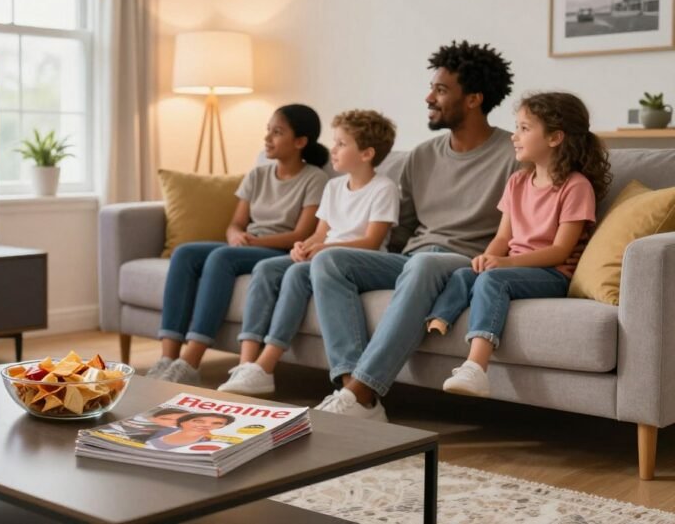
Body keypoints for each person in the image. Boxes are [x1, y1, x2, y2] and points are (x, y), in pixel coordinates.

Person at [311, 41, 517, 422]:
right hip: (413, 260)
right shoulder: (422, 155)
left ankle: (362, 389)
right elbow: (402, 228)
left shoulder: (513, 153)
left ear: (473, 99)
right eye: (432, 88)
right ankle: (356, 397)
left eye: (441, 90)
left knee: (422, 265)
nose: (429, 97)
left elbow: (518, 229)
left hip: (465, 262)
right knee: (330, 261)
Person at [427, 92, 610, 397]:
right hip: (516, 267)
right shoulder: (517, 182)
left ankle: (475, 368)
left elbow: (560, 251)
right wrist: (487, 257)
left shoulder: (576, 186)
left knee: (492, 280)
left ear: (555, 138)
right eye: (517, 127)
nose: (514, 136)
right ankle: (440, 321)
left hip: (553, 273)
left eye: (525, 129)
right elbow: (502, 238)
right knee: (463, 274)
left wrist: (504, 264)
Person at [147, 104, 330, 386]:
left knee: (222, 258)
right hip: (246, 245)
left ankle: (191, 361)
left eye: (277, 132)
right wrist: (234, 235)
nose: (267, 138)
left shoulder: (315, 179)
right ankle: (168, 359)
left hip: (278, 249)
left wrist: (253, 241)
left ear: (300, 142)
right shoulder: (257, 175)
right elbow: (236, 223)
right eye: (268, 130)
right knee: (185, 253)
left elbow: (302, 233)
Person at [219, 110, 399, 396]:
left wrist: (323, 248)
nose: (333, 150)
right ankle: (247, 364)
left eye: (341, 144)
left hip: (358, 261)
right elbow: (320, 232)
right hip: (323, 254)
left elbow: (371, 242)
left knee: (296, 273)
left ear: (366, 153)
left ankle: (266, 365)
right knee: (266, 269)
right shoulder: (333, 186)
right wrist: (304, 246)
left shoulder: (384, 188)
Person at [144, 413, 235, 451]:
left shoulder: (217, 443)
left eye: (217, 423)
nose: (206, 425)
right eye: (199, 421)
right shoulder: (163, 430)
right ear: (183, 422)